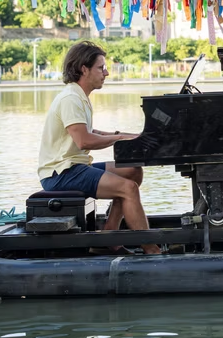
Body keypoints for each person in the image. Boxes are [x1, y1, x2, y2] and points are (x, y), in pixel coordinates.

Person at [38, 41, 160, 254]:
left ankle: (109, 234)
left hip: (74, 167)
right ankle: (151, 248)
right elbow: (84, 141)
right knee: (128, 189)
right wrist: (119, 138)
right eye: (101, 68)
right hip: (61, 174)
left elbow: (91, 131)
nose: (106, 73)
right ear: (84, 69)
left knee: (132, 171)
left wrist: (132, 137)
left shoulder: (79, 96)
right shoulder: (70, 99)